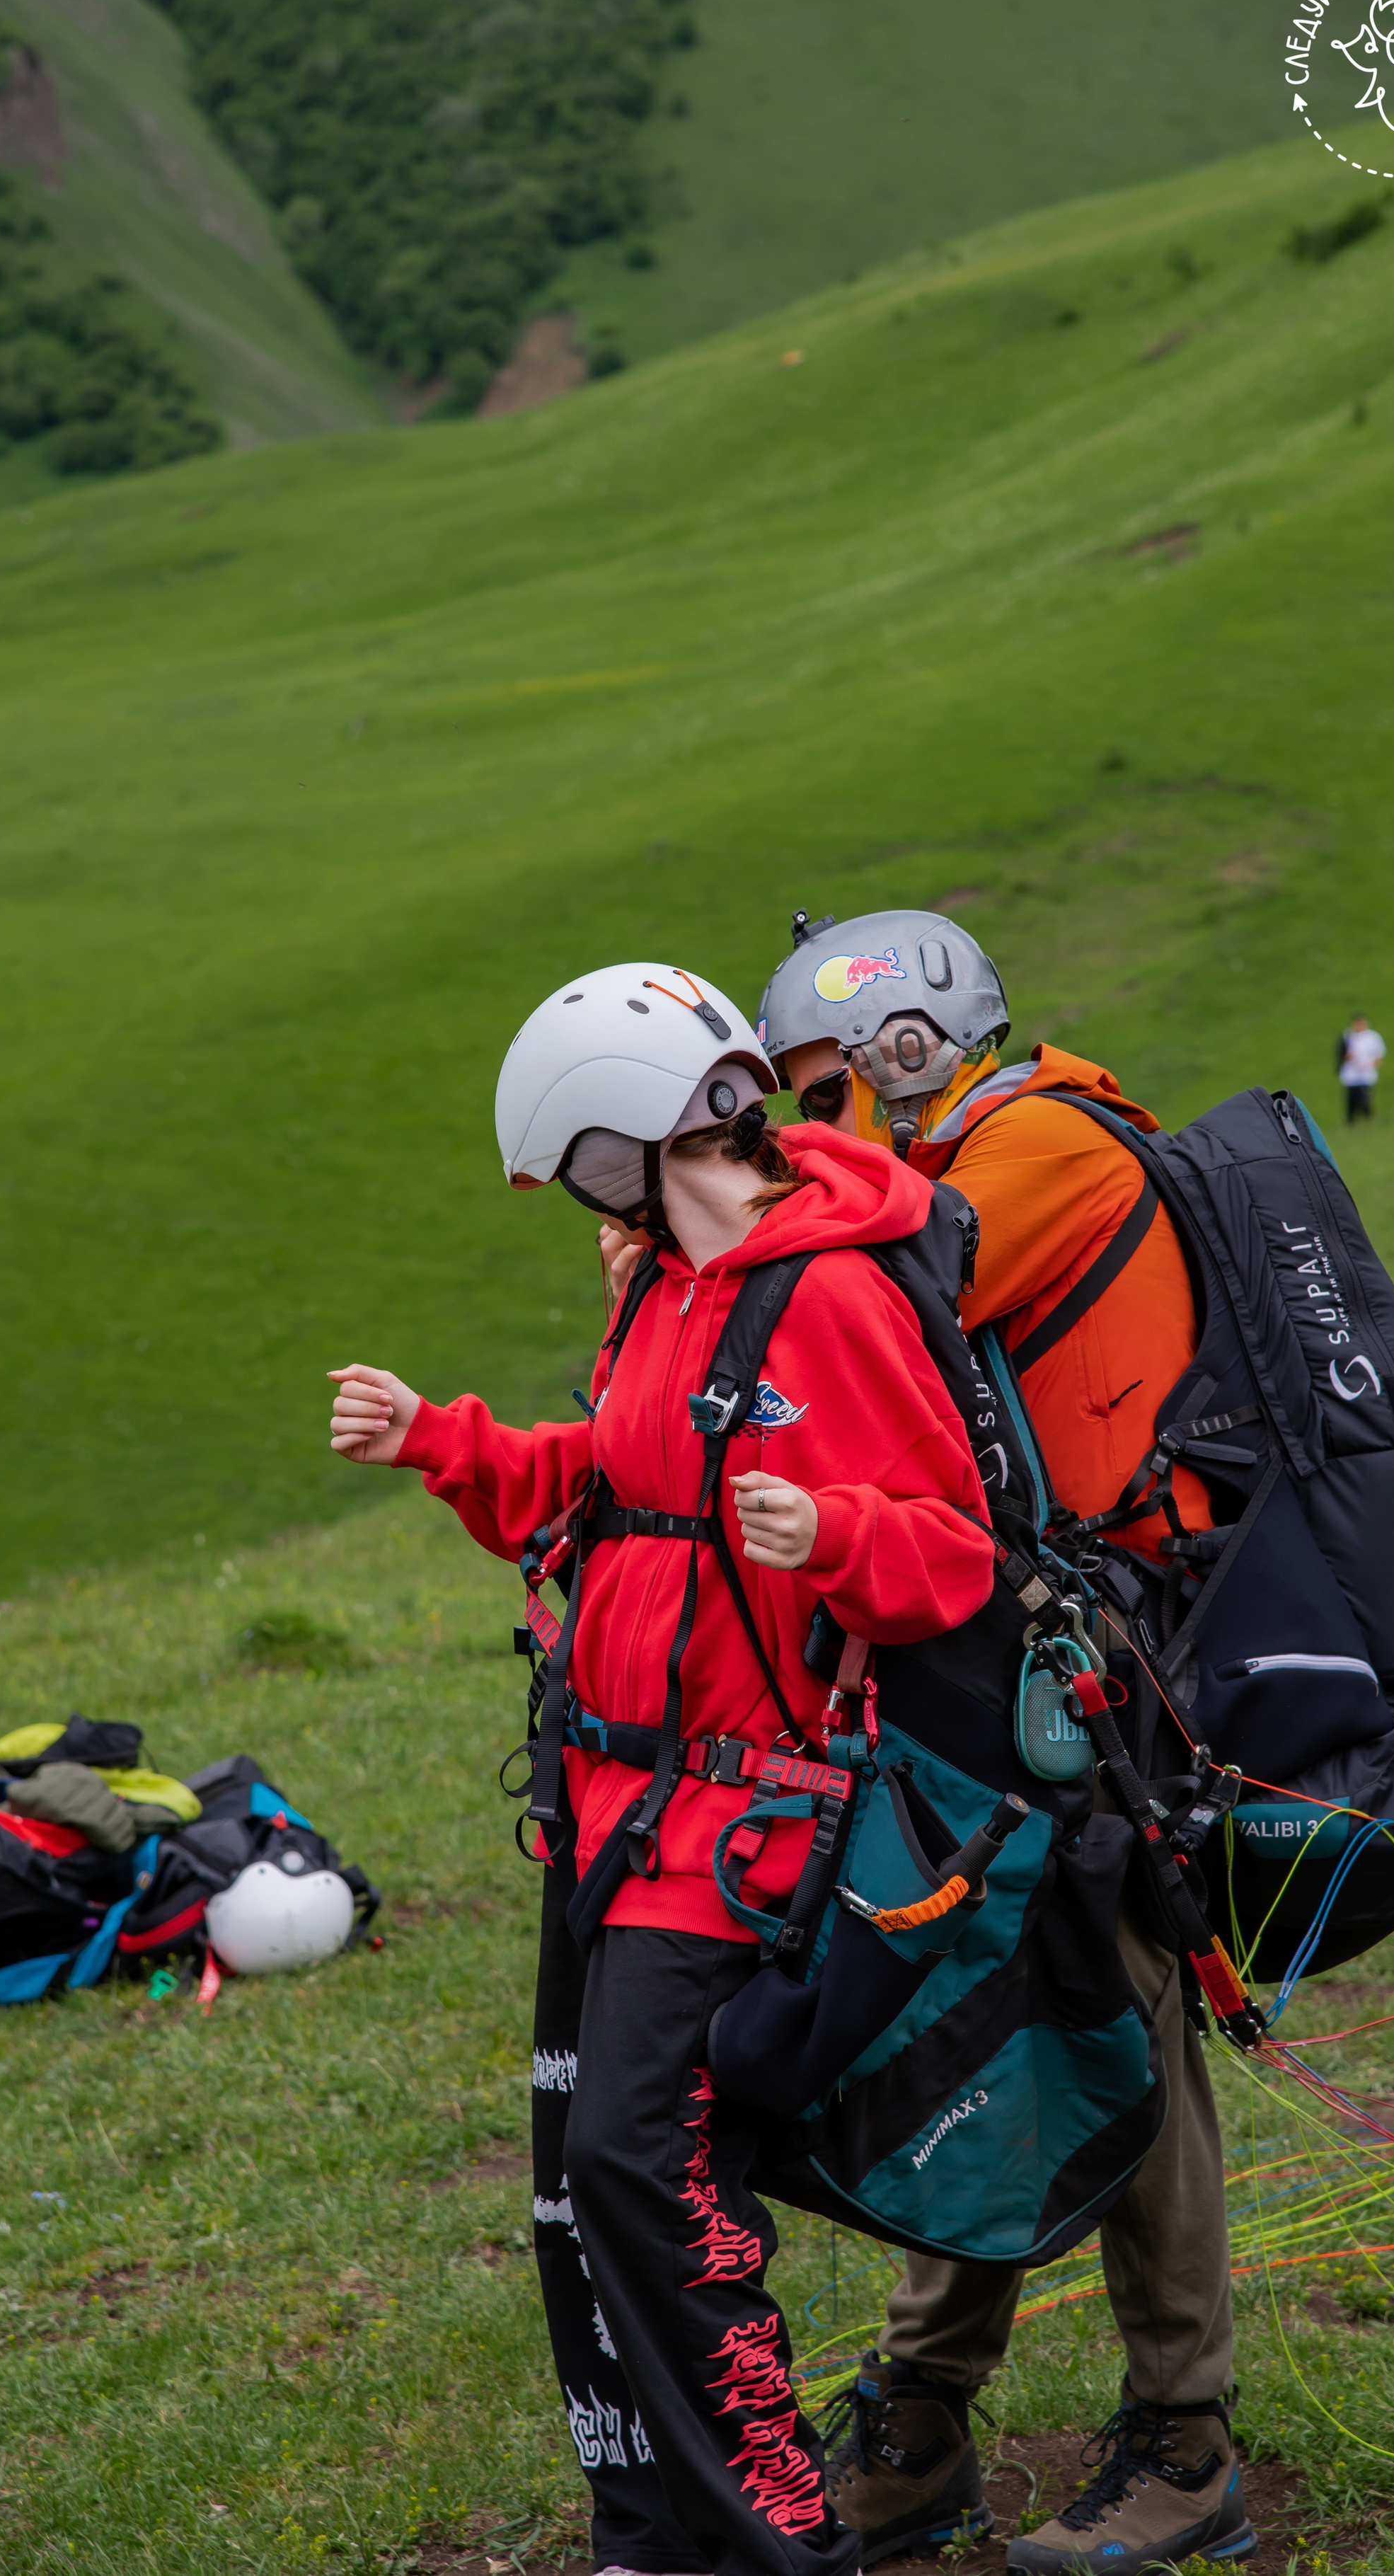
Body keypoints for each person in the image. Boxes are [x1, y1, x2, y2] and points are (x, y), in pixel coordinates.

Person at [330, 962, 996, 2576]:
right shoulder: (672, 1285)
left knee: (642, 2159)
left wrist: (829, 1530)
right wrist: (440, 1435)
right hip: (625, 1805)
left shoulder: (821, 1292)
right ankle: (707, 2527)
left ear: (624, 1141)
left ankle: (772, 2528)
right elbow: (610, 1482)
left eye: (576, 1168)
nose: (580, 1204)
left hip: (747, 1813)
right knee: (630, 2164)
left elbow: (952, 1549)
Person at [759, 909, 1254, 2576]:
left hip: (1101, 1645)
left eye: (829, 1082)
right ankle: (916, 2419)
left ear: (909, 1039)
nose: (819, 1123)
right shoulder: (974, 1136)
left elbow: (877, 1283)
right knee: (980, 1992)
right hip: (1015, 1633)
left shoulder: (1033, 1142)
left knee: (1108, 1999)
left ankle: (1180, 2434)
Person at [1337, 1014, 1386, 1125]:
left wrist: (1372, 1065)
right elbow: (1340, 1054)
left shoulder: (1372, 1037)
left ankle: (1368, 1117)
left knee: (1364, 1097)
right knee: (1351, 1098)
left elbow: (1379, 1054)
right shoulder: (1347, 1037)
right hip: (1351, 1073)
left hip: (1366, 1073)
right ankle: (1351, 1120)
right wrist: (1347, 1057)